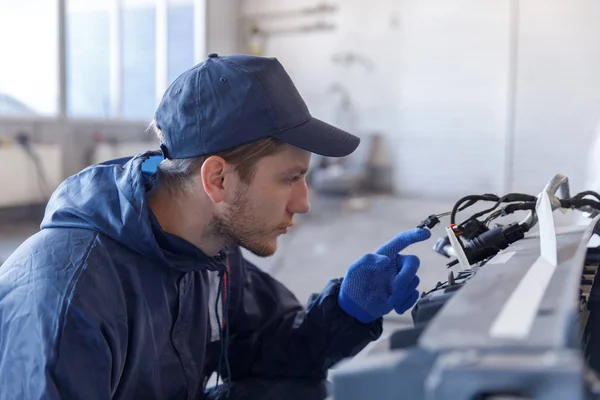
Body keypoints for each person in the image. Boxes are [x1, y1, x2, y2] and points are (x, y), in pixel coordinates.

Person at [0, 53, 431, 400]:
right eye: (290, 178)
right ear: (217, 179)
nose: (303, 203)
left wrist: (346, 311)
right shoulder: (67, 295)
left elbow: (270, 352)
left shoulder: (210, 254)